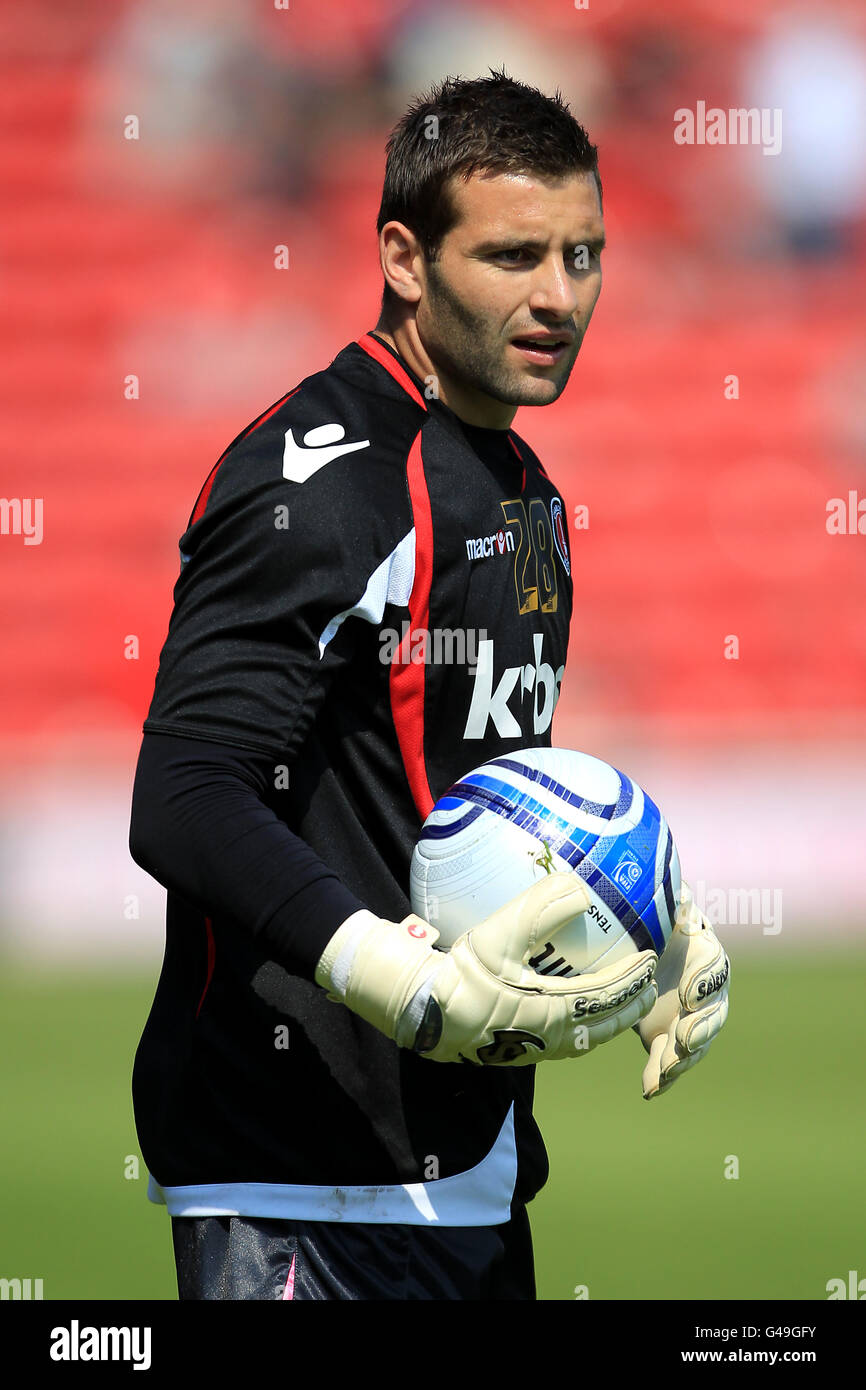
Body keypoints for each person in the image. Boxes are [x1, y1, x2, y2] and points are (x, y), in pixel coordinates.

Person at [129, 69, 729, 1302]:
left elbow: (479, 805)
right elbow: (184, 793)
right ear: (404, 258)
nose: (557, 296)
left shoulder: (526, 490)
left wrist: (643, 918)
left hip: (467, 1159)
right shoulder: (322, 479)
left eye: (582, 255)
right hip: (294, 1171)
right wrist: (396, 978)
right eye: (513, 255)